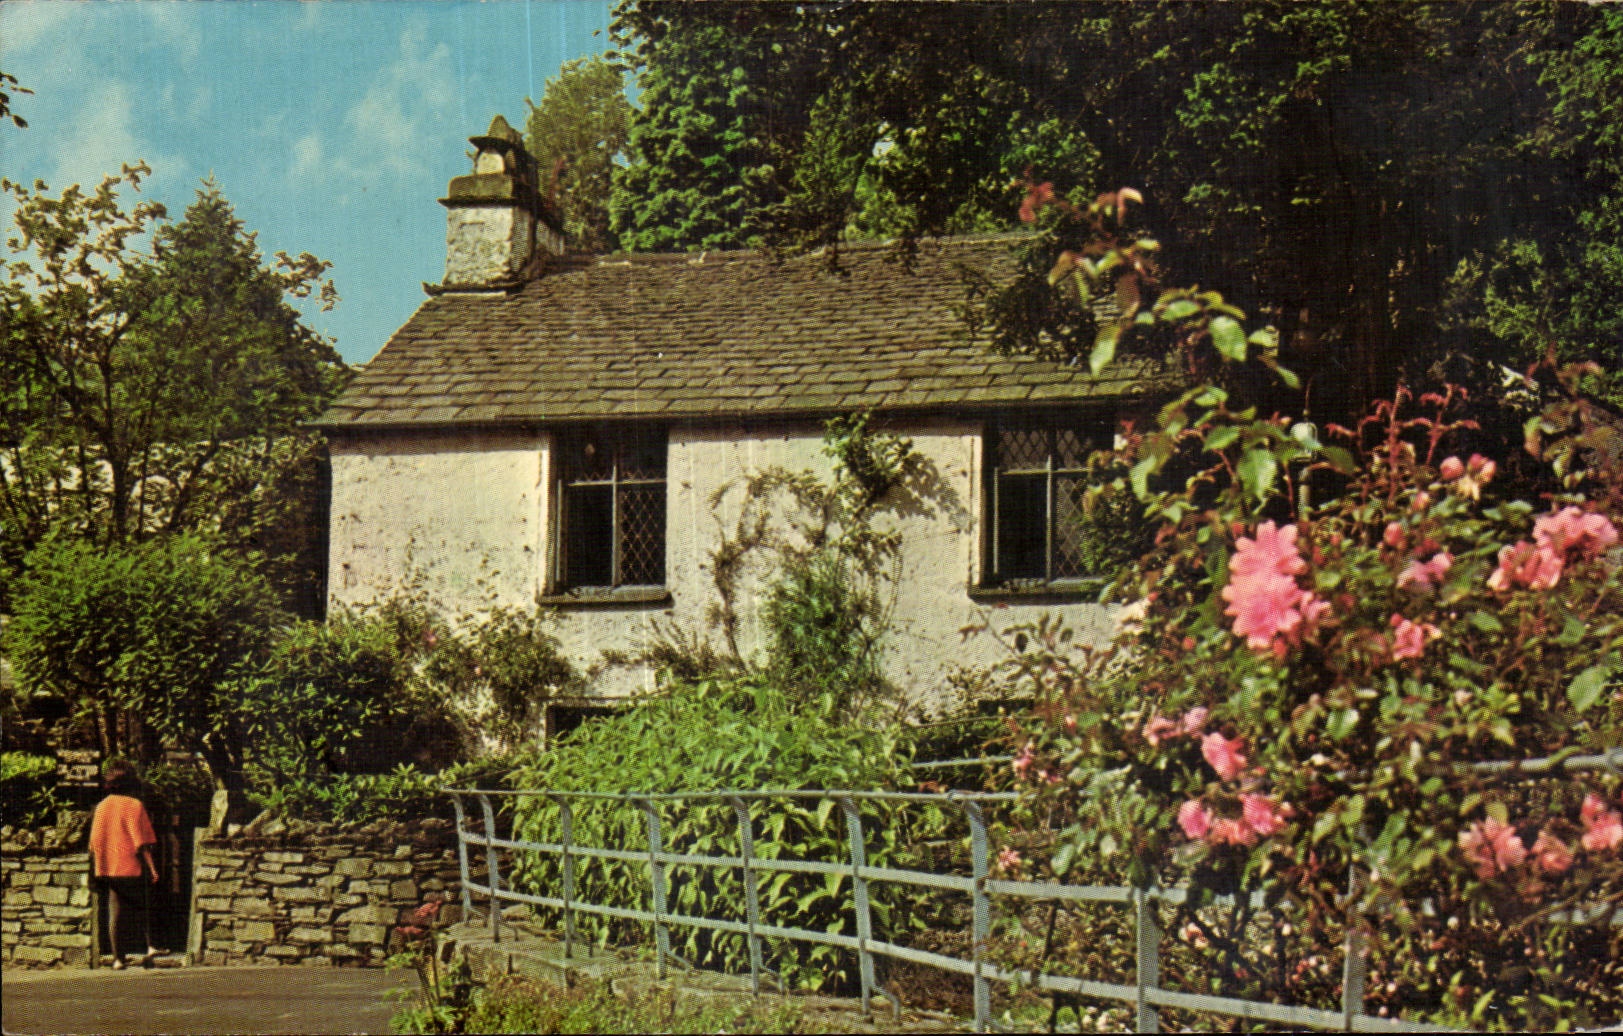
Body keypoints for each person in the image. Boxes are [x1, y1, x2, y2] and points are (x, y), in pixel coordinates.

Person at [88, 760, 161, 969]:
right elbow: (142, 842)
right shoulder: (134, 805)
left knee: (116, 912)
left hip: (108, 867)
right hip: (131, 865)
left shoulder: (101, 807)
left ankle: (118, 959)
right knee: (145, 904)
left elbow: (94, 841)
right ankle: (151, 946)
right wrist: (152, 868)